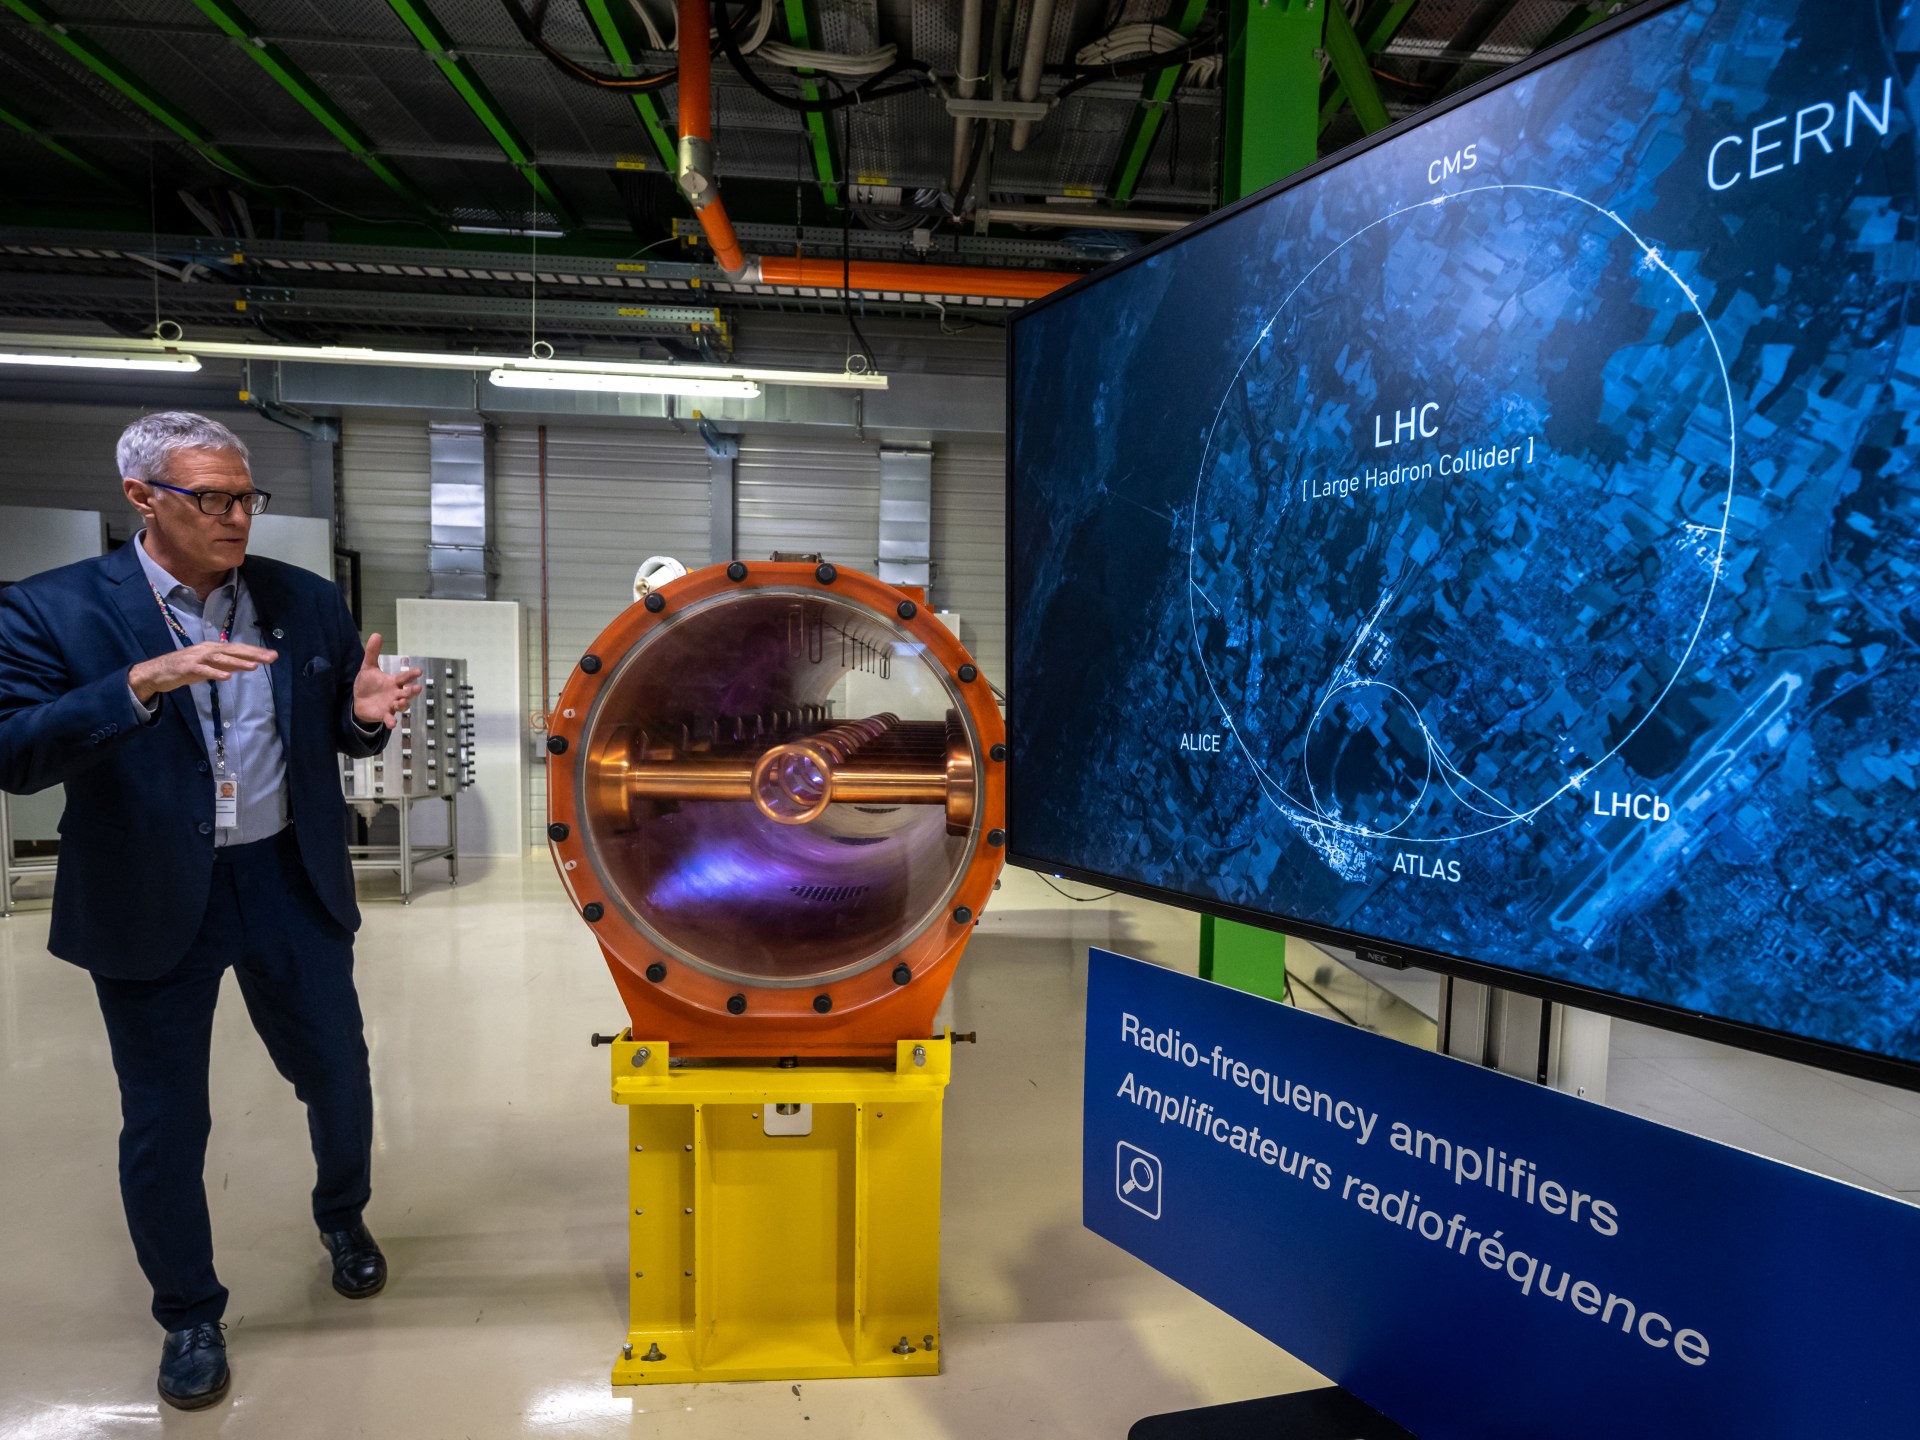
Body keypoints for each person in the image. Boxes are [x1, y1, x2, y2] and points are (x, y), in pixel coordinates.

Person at [0, 411, 422, 1410]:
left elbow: (337, 724)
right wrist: (138, 683)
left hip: (286, 879)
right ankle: (188, 1312)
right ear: (141, 497)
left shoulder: (301, 599)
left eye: (246, 497)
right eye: (212, 498)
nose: (237, 517)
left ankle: (343, 1216)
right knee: (164, 1119)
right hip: (149, 893)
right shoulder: (51, 609)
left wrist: (362, 717)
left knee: (338, 1075)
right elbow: (15, 753)